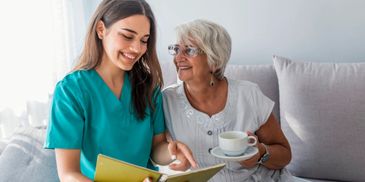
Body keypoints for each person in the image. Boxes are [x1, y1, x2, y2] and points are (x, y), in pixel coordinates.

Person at [44, 0, 196, 181]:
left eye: (144, 40)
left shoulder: (149, 87)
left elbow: (157, 150)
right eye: (127, 36)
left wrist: (172, 151)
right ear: (101, 30)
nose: (137, 48)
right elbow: (69, 173)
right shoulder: (70, 91)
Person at [163, 19, 295, 181]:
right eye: (176, 49)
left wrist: (260, 153)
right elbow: (156, 151)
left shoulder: (248, 94)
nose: (178, 57)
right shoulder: (166, 100)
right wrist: (172, 156)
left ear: (215, 61)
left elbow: (285, 154)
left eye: (189, 50)